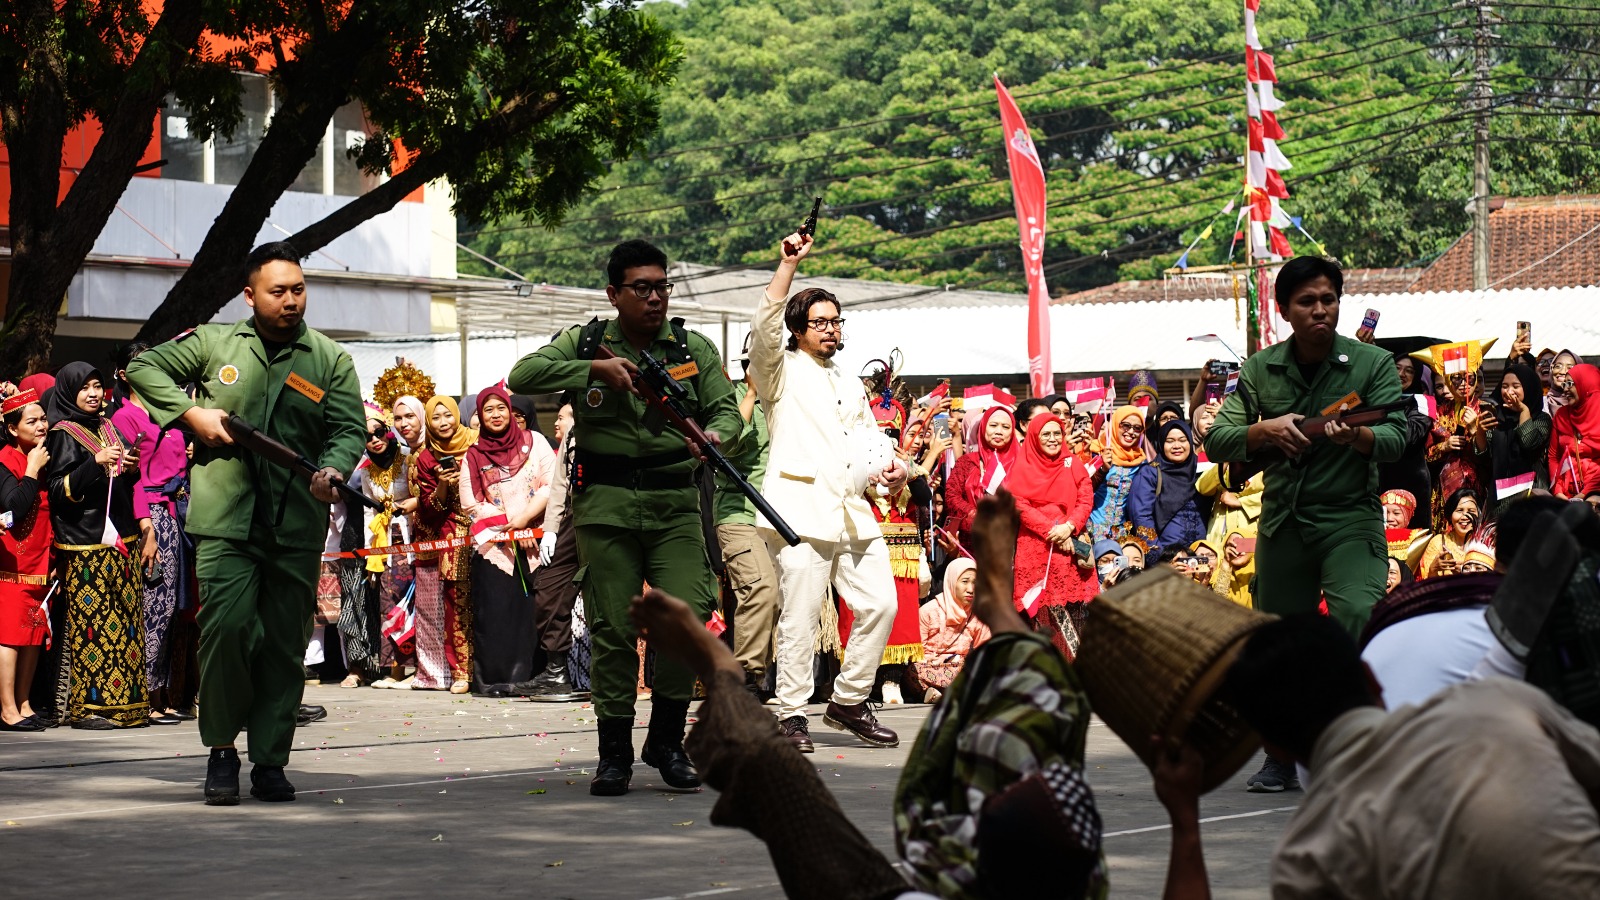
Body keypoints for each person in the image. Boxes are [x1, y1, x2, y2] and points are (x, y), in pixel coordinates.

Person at [125, 241, 365, 804]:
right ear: (250, 294)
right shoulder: (214, 343)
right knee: (228, 633)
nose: (291, 301)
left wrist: (331, 470)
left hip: (296, 524)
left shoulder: (329, 359)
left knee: (284, 645)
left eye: (299, 289)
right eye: (278, 291)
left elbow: (348, 429)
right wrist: (192, 414)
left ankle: (270, 762)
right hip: (227, 523)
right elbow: (144, 364)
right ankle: (221, 752)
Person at [507, 237, 741, 795]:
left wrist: (711, 437)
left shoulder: (692, 347)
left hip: (675, 504)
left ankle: (664, 740)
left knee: (685, 623)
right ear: (614, 294)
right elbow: (522, 376)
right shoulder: (587, 340)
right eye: (642, 288)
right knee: (612, 631)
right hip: (605, 506)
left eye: (662, 286)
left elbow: (728, 411)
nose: (655, 297)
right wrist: (594, 370)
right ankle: (613, 752)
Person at [1159, 614, 1600, 898]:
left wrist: (1184, 822)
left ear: (1272, 745)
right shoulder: (1499, 703)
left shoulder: (1309, 857)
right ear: (1371, 678)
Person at [748, 230, 906, 755]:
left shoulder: (847, 378)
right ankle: (791, 714)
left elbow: (868, 436)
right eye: (822, 321)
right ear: (799, 328)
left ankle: (847, 701)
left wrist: (893, 466)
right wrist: (787, 266)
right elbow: (764, 327)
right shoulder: (779, 369)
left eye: (838, 321)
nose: (833, 329)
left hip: (852, 510)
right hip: (797, 510)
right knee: (799, 617)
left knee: (881, 603)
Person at [1203, 255, 1404, 636]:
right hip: (1283, 523)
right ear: (1283, 310)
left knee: (1360, 619)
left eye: (1329, 300)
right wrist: (1265, 431)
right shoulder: (1261, 368)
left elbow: (1396, 438)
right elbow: (1215, 440)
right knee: (1281, 639)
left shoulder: (1373, 364)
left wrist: (1356, 436)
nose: (1320, 310)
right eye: (1306, 302)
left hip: (1350, 519)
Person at [44, 363, 149, 731]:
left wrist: (129, 467)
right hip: (85, 544)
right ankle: (89, 709)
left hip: (121, 539)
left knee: (125, 624)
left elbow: (118, 481)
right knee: (94, 628)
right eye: (85, 387)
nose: (93, 393)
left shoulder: (107, 427)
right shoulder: (62, 434)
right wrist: (95, 463)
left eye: (97, 386)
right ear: (69, 391)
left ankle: (128, 705)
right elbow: (58, 491)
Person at [110, 345, 193, 724]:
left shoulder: (168, 411)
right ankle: (144, 696)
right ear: (125, 374)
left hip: (178, 513)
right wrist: (147, 528)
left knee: (173, 610)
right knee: (153, 606)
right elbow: (135, 479)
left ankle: (163, 694)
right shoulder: (125, 417)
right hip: (152, 517)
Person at [459, 384, 556, 697]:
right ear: (481, 417)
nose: (496, 415)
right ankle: (495, 680)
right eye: (488, 410)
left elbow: (550, 484)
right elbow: (471, 501)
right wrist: (511, 527)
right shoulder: (474, 455)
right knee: (497, 613)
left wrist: (526, 520)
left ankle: (534, 677)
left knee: (534, 613)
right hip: (495, 547)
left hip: (537, 543)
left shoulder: (535, 442)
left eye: (501, 408)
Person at [714, 337, 782, 699]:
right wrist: (751, 394)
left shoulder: (789, 401)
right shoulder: (730, 397)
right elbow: (725, 444)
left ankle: (770, 679)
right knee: (760, 590)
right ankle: (744, 679)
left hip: (786, 517)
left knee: (788, 599)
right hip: (740, 514)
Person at [1009, 414, 1096, 658]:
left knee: (1075, 610)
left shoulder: (1073, 463)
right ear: (1034, 437)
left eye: (1057, 433)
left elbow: (1085, 497)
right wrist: (1053, 531)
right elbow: (1019, 503)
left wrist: (1069, 526)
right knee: (1041, 611)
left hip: (1071, 548)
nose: (1053, 439)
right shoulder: (1022, 466)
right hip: (1036, 547)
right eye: (1046, 434)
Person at [408, 396, 478, 693]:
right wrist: (444, 483)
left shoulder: (476, 443)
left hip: (490, 527)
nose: (443, 422)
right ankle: (462, 672)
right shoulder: (426, 458)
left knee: (492, 599)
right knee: (456, 605)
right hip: (453, 534)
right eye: (435, 418)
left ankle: (495, 669)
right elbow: (429, 507)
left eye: (446, 415)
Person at [523, 396, 584, 702]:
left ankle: (609, 675)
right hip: (574, 517)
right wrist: (550, 531)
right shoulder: (572, 438)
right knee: (548, 586)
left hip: (609, 515)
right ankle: (555, 671)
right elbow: (560, 485)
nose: (557, 422)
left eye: (565, 415)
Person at [0, 386, 51, 731]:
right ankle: (7, 710)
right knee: (10, 636)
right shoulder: (6, 460)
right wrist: (31, 470)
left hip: (41, 560)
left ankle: (25, 702)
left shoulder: (45, 457)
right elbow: (12, 510)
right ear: (12, 428)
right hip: (11, 564)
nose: (41, 426)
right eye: (31, 421)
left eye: (43, 418)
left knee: (33, 633)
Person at [1413, 339, 1496, 531]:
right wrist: (1445, 445)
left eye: (1469, 378)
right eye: (1455, 379)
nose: (1463, 384)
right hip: (1444, 488)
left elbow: (1491, 457)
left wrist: (1475, 430)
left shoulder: (1487, 410)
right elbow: (1425, 455)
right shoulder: (1438, 413)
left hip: (1476, 486)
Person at [908, 557, 990, 705]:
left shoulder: (977, 614)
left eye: (975, 583)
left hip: (959, 668)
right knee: (915, 672)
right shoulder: (928, 611)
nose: (971, 589)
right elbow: (916, 651)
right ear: (952, 582)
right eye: (964, 581)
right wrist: (932, 660)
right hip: (929, 667)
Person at [1127, 420, 1210, 561]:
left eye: (1182, 440)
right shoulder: (1150, 473)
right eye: (1170, 441)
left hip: (1201, 557)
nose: (1177, 446)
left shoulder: (1201, 469)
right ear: (1161, 444)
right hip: (1169, 556)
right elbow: (1142, 517)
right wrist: (1160, 557)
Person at [943, 405, 1017, 552]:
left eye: (1005, 427)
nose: (998, 431)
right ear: (983, 428)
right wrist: (976, 515)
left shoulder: (1021, 463)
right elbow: (952, 495)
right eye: (993, 425)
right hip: (969, 544)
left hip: (1008, 543)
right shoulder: (966, 462)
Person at [1488, 363, 1551, 505]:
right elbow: (1482, 456)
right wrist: (1479, 431)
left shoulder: (1541, 419)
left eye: (1515, 386)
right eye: (1505, 386)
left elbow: (1528, 442)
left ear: (1528, 387)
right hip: (1499, 497)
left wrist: (1523, 411)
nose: (1509, 392)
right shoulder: (1494, 417)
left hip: (1531, 492)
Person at [1088, 406, 1147, 541]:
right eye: (1126, 426)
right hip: (1092, 532)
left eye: (1137, 428)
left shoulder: (1141, 462)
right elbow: (1082, 488)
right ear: (1115, 425)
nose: (1131, 432)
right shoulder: (1096, 451)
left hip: (1122, 536)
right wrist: (1102, 469)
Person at [1551, 363, 1600, 500]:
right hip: (1565, 493)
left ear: (1586, 384)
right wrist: (1557, 491)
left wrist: (1584, 495)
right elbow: (1554, 457)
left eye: (1570, 384)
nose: (1565, 389)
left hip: (1595, 493)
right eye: (1564, 384)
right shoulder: (1561, 415)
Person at [1416, 488, 1482, 579]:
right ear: (1450, 515)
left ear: (1479, 515)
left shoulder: (1486, 545)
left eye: (1471, 511)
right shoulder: (1438, 542)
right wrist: (1433, 571)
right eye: (1459, 510)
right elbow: (1427, 586)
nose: (1465, 517)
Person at [1214, 531, 1256, 607]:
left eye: (1242, 545)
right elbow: (1219, 601)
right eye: (1231, 546)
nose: (1237, 551)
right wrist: (1226, 562)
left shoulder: (1261, 567)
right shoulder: (1218, 574)